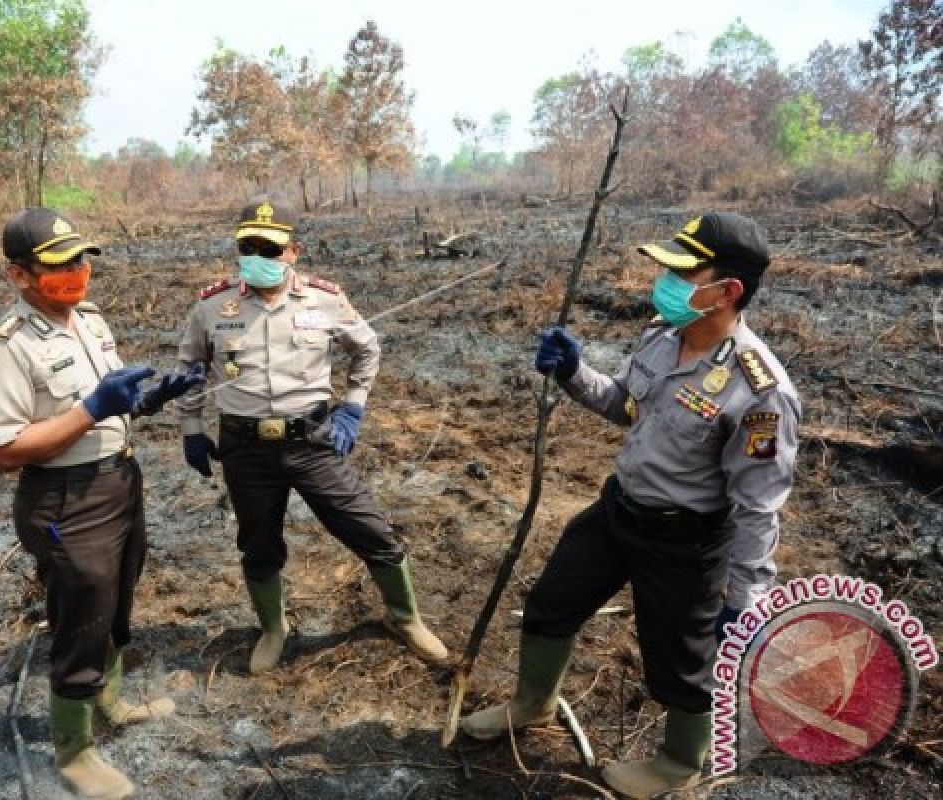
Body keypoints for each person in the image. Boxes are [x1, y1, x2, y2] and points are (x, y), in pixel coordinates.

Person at [460, 212, 800, 798]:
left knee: (685, 663)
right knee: (550, 604)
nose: (665, 280)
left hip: (685, 544)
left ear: (728, 290)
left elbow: (757, 506)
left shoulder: (761, 393)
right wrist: (573, 373)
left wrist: (744, 599)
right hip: (619, 511)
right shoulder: (660, 337)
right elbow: (625, 404)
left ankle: (677, 763)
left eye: (684, 271)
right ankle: (532, 703)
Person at [0, 207, 203, 800]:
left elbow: (103, 402)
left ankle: (111, 700)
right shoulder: (7, 347)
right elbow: (6, 451)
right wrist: (93, 410)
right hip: (63, 500)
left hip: (119, 481)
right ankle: (74, 752)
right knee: (82, 611)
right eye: (58, 265)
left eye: (80, 260)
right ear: (18, 276)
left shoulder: (90, 320)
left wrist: (146, 402)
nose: (75, 272)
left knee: (119, 591)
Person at [173, 201, 449, 674]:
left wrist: (354, 405)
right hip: (244, 446)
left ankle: (404, 617)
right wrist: (192, 430)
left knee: (369, 529)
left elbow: (367, 349)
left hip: (313, 441)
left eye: (270, 249)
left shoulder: (324, 299)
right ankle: (273, 629)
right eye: (248, 247)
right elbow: (191, 369)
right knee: (258, 543)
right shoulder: (213, 305)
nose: (257, 255)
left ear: (293, 252)